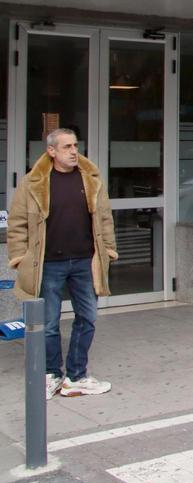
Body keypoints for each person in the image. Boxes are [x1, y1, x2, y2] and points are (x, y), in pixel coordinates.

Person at [7, 128, 118, 399]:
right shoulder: (34, 182)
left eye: (75, 145)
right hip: (49, 263)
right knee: (49, 322)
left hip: (84, 262)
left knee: (88, 318)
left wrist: (109, 250)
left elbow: (104, 217)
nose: (73, 151)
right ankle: (51, 375)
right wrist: (20, 257)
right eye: (66, 147)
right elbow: (17, 222)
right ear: (51, 151)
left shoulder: (90, 179)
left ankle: (76, 376)